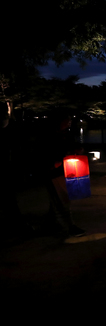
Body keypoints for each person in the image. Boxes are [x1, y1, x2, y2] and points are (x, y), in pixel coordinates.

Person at [43, 110, 86, 238]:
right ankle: (69, 226)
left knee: (57, 200)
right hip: (54, 172)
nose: (69, 122)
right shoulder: (49, 136)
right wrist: (54, 162)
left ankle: (51, 224)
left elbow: (72, 146)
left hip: (66, 170)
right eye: (66, 120)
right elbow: (43, 153)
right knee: (62, 200)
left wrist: (77, 149)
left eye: (69, 120)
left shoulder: (66, 134)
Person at [0, 103, 33, 242]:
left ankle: (14, 226)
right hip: (7, 168)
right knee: (8, 200)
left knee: (8, 199)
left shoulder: (9, 128)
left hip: (8, 168)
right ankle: (16, 226)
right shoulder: (10, 128)